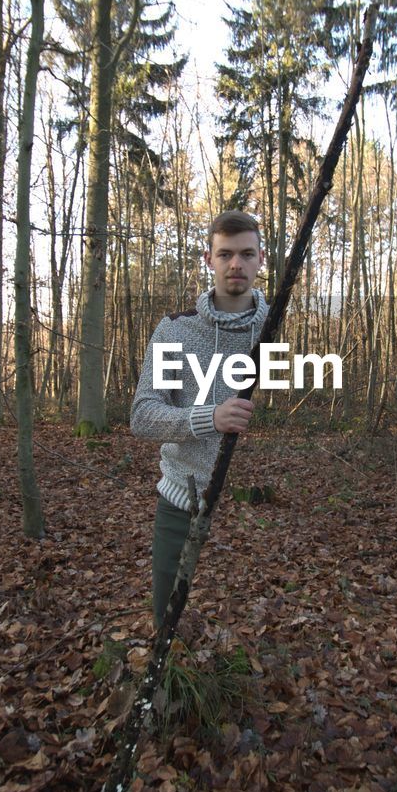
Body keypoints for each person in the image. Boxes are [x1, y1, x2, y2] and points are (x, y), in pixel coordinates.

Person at [131, 210, 267, 626]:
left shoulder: (275, 327)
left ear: (262, 259)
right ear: (208, 259)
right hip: (182, 502)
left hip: (261, 517)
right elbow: (143, 415)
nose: (236, 265)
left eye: (246, 254)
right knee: (168, 629)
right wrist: (211, 417)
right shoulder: (176, 331)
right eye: (225, 254)